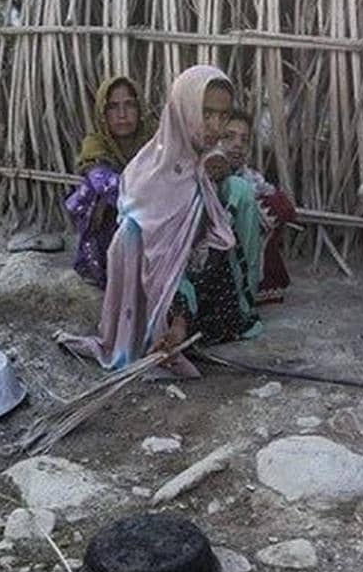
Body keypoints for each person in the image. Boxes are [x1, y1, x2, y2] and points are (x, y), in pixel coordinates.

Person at [55, 65, 262, 378]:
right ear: (184, 109)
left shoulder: (199, 165)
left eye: (222, 116)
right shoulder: (152, 171)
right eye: (206, 114)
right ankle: (166, 329)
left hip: (188, 291)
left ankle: (185, 325)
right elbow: (151, 258)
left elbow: (207, 243)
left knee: (226, 225)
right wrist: (177, 317)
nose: (216, 126)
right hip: (152, 292)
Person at [65, 75, 155, 288]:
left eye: (129, 105)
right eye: (113, 107)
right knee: (95, 190)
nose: (122, 115)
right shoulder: (95, 144)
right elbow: (103, 182)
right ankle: (99, 264)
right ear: (103, 113)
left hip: (151, 220)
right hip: (111, 220)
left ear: (140, 108)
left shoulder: (155, 139)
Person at [220, 109, 297, 304]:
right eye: (229, 137)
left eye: (244, 140)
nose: (237, 145)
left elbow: (284, 205)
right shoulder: (198, 178)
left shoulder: (249, 178)